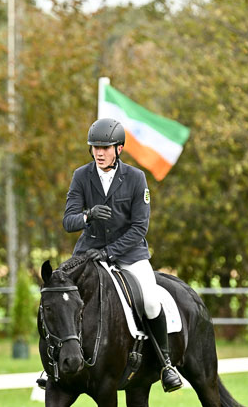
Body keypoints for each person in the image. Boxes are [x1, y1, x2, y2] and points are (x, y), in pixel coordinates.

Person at [62, 117, 182, 392]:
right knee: (61, 296)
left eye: (105, 148)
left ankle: (165, 364)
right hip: (89, 255)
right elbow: (68, 221)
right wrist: (88, 215)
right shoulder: (81, 176)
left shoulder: (136, 178)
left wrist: (109, 252)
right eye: (95, 147)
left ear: (119, 149)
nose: (99, 153)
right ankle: (53, 365)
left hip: (129, 254)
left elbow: (139, 228)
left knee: (150, 302)